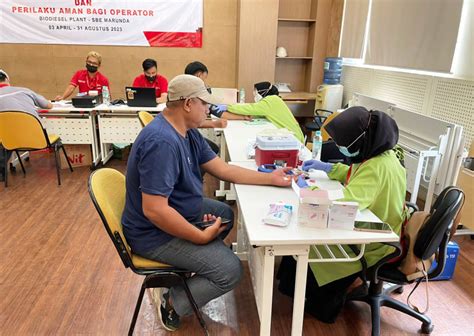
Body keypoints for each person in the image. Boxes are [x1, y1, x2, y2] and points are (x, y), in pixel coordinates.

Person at [122, 74, 292, 331]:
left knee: (224, 214)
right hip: (152, 233)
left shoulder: (186, 131)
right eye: (205, 104)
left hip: (175, 210)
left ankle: (193, 268)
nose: (208, 109)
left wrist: (270, 178)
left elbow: (223, 169)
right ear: (188, 104)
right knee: (231, 270)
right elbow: (155, 211)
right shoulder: (162, 143)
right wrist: (199, 237)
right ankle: (173, 301)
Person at [277, 106, 407, 323]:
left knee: (310, 242)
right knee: (305, 241)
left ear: (359, 141)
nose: (339, 148)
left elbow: (343, 203)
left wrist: (308, 188)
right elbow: (355, 173)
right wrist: (327, 168)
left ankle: (318, 303)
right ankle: (292, 288)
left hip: (376, 238)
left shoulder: (377, 167)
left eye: (343, 144)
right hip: (378, 222)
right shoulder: (381, 154)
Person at [0, 69, 53, 181]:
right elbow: (48, 106)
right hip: (37, 138)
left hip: (10, 141)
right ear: (7, 79)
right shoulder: (24, 91)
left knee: (5, 136)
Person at [219, 82, 305, 143]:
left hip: (294, 138)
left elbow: (250, 108)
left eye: (256, 92)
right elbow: (255, 111)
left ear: (264, 92)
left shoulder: (270, 100)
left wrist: (228, 106)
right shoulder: (274, 100)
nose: (254, 94)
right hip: (291, 135)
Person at [184, 61, 250, 121]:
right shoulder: (199, 92)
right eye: (204, 78)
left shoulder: (181, 89)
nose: (204, 82)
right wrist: (243, 117)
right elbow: (217, 111)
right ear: (199, 75)